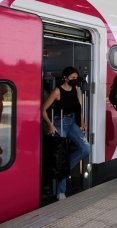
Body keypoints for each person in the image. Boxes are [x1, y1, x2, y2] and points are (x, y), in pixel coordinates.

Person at [42, 66, 90, 200]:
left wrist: (82, 123)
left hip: (72, 122)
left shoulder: (75, 89)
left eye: (76, 78)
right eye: (73, 78)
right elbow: (43, 109)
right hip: (60, 123)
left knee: (86, 149)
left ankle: (65, 166)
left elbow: (78, 107)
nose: (75, 80)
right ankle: (60, 192)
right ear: (65, 78)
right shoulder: (57, 91)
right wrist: (50, 125)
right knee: (61, 157)